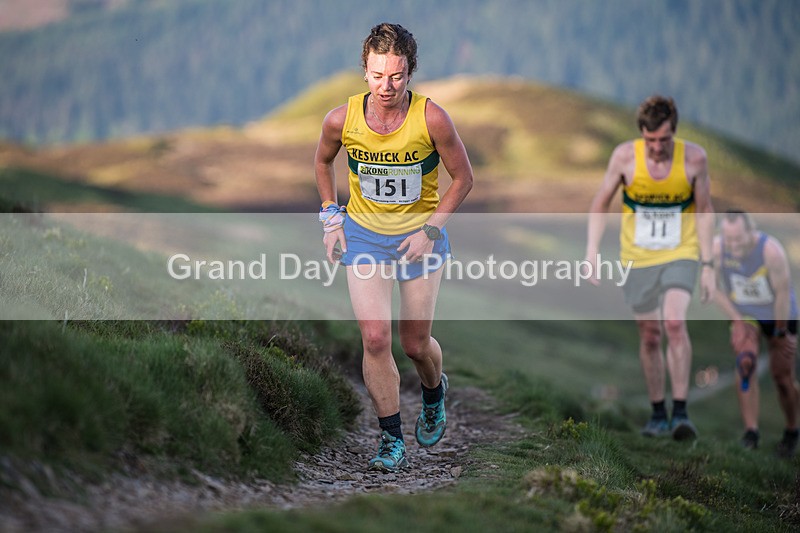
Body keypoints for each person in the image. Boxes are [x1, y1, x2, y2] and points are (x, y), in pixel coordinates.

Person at [314, 23, 473, 471]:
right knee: (375, 337)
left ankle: (434, 391)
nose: (387, 87)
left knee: (415, 343)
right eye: (378, 75)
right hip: (364, 236)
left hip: (419, 239)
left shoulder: (433, 119)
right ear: (364, 71)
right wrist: (331, 218)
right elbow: (322, 161)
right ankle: (389, 440)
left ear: (410, 73)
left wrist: (432, 231)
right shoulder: (341, 120)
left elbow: (463, 178)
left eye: (397, 76)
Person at [584, 95, 715, 441]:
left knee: (673, 321)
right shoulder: (625, 157)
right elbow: (601, 203)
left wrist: (710, 263)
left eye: (664, 140)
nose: (657, 148)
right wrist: (592, 250)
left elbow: (704, 210)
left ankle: (682, 412)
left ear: (675, 132)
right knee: (650, 334)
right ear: (642, 134)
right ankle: (658, 413)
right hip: (637, 257)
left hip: (681, 252)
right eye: (651, 140)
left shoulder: (695, 159)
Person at [712, 210, 799, 457]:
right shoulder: (717, 250)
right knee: (745, 362)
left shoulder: (771, 251)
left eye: (738, 239)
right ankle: (751, 433)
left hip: (779, 313)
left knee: (782, 377)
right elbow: (712, 289)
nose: (734, 245)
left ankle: (792, 430)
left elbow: (783, 293)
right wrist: (737, 321)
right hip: (745, 313)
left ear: (751, 232)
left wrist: (782, 332)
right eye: (729, 240)